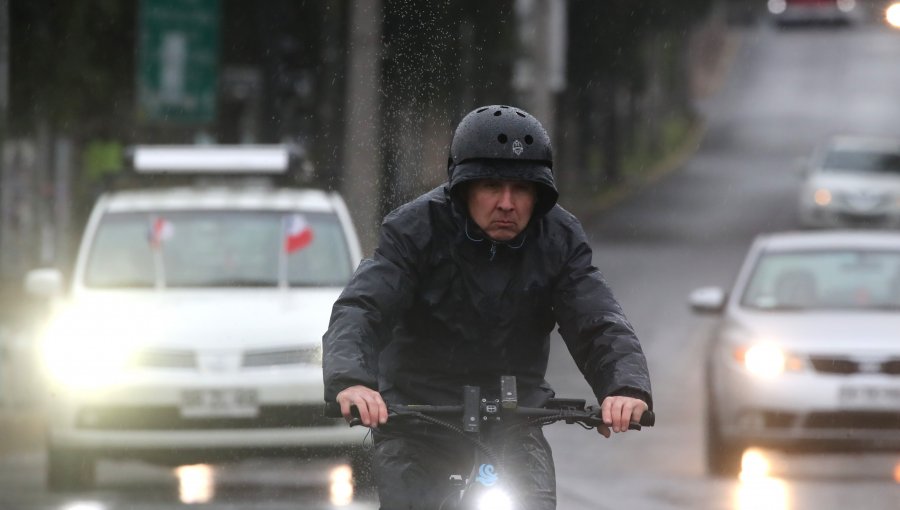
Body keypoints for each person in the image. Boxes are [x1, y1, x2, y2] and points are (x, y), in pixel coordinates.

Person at [322, 104, 653, 509]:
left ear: (540, 195)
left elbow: (597, 318)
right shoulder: (414, 229)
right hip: (418, 418)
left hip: (516, 419)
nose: (507, 203)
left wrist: (624, 387)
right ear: (463, 189)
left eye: (522, 189)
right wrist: (352, 380)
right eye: (491, 186)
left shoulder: (559, 238)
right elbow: (362, 307)